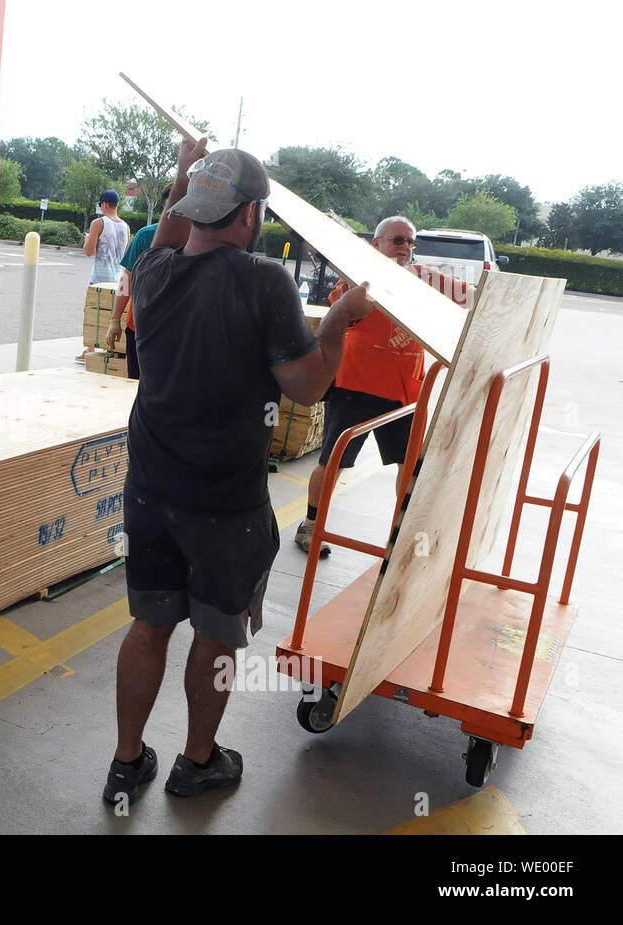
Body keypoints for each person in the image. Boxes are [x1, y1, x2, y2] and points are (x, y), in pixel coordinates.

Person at [103, 140, 373, 804]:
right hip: (225, 501)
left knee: (149, 622)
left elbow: (169, 225)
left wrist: (183, 173)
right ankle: (198, 762)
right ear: (251, 214)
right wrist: (340, 320)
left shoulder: (153, 270)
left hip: (150, 489)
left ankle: (126, 760)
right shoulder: (263, 281)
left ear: (196, 205)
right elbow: (309, 385)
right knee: (218, 632)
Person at [294, 216, 470, 557]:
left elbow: (472, 298)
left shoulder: (424, 280)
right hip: (356, 385)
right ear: (377, 244)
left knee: (410, 466)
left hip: (406, 392)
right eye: (398, 241)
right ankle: (312, 525)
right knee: (334, 462)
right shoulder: (359, 280)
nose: (406, 249)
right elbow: (339, 310)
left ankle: (403, 533)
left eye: (411, 242)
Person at [103, 184, 174, 380]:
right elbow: (127, 277)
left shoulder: (198, 240)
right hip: (140, 327)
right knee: (135, 384)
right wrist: (115, 319)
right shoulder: (146, 236)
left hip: (176, 332)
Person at [83, 190, 131, 284]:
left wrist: (87, 240)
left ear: (104, 204)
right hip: (118, 281)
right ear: (117, 204)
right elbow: (126, 256)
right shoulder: (126, 227)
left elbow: (89, 252)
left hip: (99, 281)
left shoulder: (98, 223)